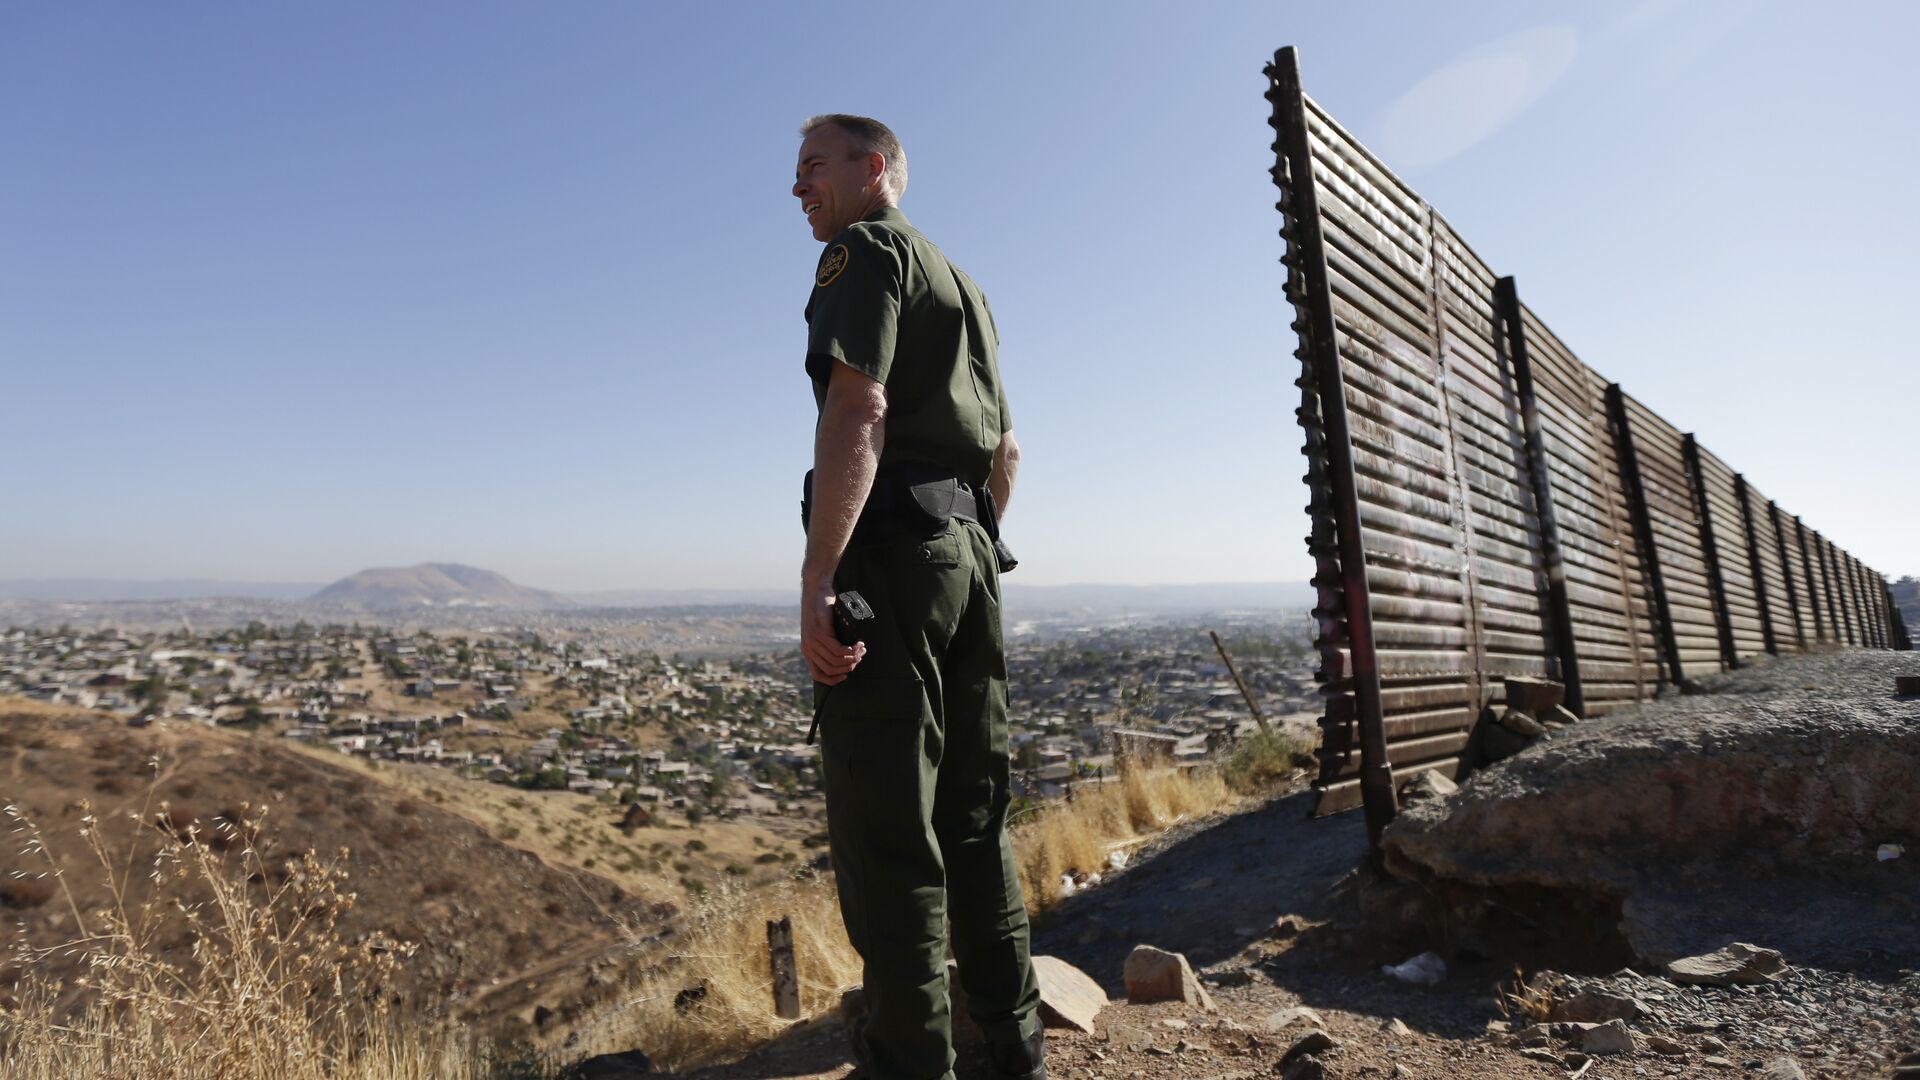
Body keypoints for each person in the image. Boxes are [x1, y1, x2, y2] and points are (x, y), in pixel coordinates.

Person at [791, 114, 1043, 1080]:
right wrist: (976, 540)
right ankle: (1014, 1045)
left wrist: (822, 575)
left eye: (816, 166)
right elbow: (1007, 450)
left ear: (877, 168)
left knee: (890, 826)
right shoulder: (964, 284)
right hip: (971, 557)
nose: (800, 187)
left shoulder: (864, 254)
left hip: (893, 558)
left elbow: (859, 405)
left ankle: (911, 1062)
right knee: (975, 815)